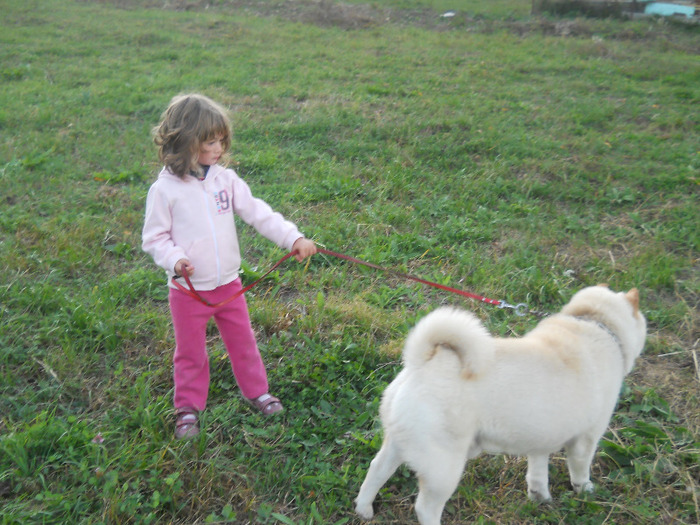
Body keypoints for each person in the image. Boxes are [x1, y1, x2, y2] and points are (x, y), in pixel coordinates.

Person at [142, 93, 317, 439]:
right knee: (190, 352)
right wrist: (176, 260)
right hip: (188, 291)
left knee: (243, 342)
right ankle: (188, 409)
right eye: (210, 142)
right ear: (185, 141)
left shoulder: (226, 180)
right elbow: (154, 238)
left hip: (229, 285)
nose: (219, 148)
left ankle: (257, 392)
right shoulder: (164, 190)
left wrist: (293, 238)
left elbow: (258, 213)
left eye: (222, 140)